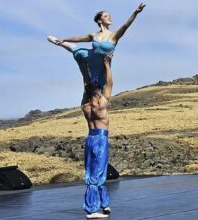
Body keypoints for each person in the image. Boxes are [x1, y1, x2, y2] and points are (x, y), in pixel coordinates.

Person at [47, 3, 146, 219]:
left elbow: (126, 26)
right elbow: (80, 44)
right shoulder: (95, 102)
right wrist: (63, 41)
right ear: (100, 19)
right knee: (97, 172)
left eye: (110, 16)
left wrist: (135, 13)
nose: (110, 17)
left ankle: (99, 205)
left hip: (98, 74)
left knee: (95, 172)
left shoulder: (90, 102)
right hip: (96, 134)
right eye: (106, 16)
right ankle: (97, 207)